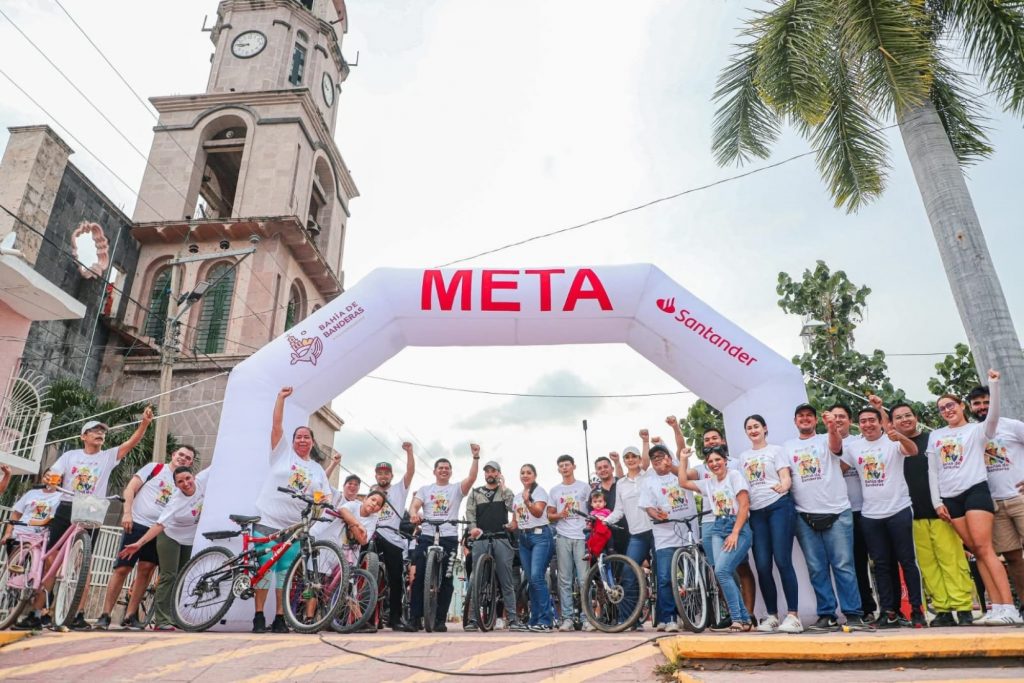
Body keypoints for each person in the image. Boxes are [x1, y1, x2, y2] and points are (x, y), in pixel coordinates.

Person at [48, 407, 154, 630]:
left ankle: (78, 613)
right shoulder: (70, 456)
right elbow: (54, 473)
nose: (100, 434)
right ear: (83, 436)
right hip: (67, 505)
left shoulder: (107, 456)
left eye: (102, 431)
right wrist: (51, 479)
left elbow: (131, 443)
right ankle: (42, 609)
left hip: (91, 508)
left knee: (83, 562)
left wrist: (144, 424)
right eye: (94, 431)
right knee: (51, 556)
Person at [929, 371, 1020, 625]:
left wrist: (994, 384)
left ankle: (1009, 607)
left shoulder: (977, 430)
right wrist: (937, 501)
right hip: (950, 497)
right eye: (942, 408)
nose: (947, 410)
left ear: (962, 406)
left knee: (985, 548)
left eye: (951, 405)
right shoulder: (936, 436)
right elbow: (933, 470)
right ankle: (995, 607)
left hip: (975, 492)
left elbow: (993, 417)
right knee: (976, 552)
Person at [251, 386, 332, 634]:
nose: (302, 440)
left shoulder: (317, 469)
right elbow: (276, 426)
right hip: (268, 521)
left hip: (295, 528)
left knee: (285, 574)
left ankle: (279, 617)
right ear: (293, 440)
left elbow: (326, 494)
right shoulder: (282, 454)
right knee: (265, 568)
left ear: (312, 442)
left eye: (307, 437)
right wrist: (280, 399)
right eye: (298, 437)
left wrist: (325, 504)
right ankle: (258, 616)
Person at [890, 402, 975, 627]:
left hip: (941, 512)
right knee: (928, 566)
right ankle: (943, 609)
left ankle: (963, 608)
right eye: (898, 417)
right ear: (892, 423)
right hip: (912, 515)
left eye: (908, 415)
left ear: (916, 417)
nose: (904, 420)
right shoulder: (893, 447)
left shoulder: (934, 439)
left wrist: (944, 502)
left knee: (952, 561)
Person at [843, 400, 926, 628]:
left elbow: (913, 450)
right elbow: (837, 469)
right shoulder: (854, 448)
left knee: (907, 561)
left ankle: (917, 610)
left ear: (881, 422)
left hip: (898, 509)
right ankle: (889, 612)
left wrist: (899, 437)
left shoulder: (892, 441)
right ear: (858, 425)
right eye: (863, 421)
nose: (867, 424)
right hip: (870, 514)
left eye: (872, 420)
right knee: (880, 565)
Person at [96, 445, 197, 630]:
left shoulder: (186, 481)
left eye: (188, 458)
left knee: (146, 570)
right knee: (122, 568)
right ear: (173, 454)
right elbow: (130, 489)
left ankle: (130, 615)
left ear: (190, 463)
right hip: (137, 523)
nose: (183, 458)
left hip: (160, 530)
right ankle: (105, 614)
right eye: (181, 454)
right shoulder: (154, 468)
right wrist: (127, 513)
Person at [786, 403, 867, 631]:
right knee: (816, 568)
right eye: (800, 416)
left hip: (837, 511)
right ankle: (827, 614)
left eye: (809, 416)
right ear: (795, 421)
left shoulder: (826, 438)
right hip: (804, 514)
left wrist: (832, 427)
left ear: (815, 420)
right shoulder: (787, 447)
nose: (805, 419)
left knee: (843, 565)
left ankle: (853, 613)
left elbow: (836, 446)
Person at [672, 417, 757, 622]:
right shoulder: (709, 483)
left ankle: (739, 618)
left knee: (724, 571)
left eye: (718, 460)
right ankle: (743, 619)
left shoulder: (735, 475)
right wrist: (683, 459)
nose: (714, 464)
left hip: (737, 526)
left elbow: (744, 505)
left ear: (725, 460)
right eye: (710, 462)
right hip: (718, 526)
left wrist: (735, 533)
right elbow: (683, 481)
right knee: (721, 572)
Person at [117, 466, 209, 631]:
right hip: (170, 537)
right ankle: (162, 620)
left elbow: (217, 464)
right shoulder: (176, 501)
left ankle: (174, 616)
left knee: (183, 576)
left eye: (188, 478)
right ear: (176, 485)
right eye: (180, 481)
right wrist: (139, 543)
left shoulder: (202, 480)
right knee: (169, 575)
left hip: (188, 539)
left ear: (194, 477)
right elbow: (159, 525)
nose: (186, 483)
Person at [736, 415, 802, 633]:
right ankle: (772, 615)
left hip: (778, 506)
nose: (753, 430)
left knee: (782, 560)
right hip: (756, 513)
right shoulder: (743, 457)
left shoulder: (776, 450)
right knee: (762, 565)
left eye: (756, 426)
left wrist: (784, 486)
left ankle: (793, 616)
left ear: (765, 428)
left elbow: (785, 476)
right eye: (749, 428)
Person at [968, 384, 1024, 619]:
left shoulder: (1013, 426)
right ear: (970, 407)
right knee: (1012, 557)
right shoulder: (972, 432)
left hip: (1019, 497)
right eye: (977, 403)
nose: (982, 407)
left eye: (986, 402)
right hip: (993, 504)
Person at [409, 445, 480, 631]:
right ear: (434, 471)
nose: (443, 470)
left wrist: (475, 457)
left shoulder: (456, 489)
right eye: (440, 467)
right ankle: (415, 617)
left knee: (447, 579)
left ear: (451, 472)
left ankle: (440, 619)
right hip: (427, 535)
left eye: (447, 468)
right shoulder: (425, 489)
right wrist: (414, 514)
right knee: (419, 576)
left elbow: (471, 478)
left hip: (449, 536)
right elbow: (414, 505)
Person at [828, 403, 881, 621]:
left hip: (868, 509)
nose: (838, 420)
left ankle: (891, 609)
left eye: (842, 416)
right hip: (842, 511)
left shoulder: (861, 442)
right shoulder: (825, 443)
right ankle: (865, 609)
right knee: (854, 563)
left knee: (879, 560)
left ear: (850, 421)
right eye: (834, 417)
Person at [639, 442, 695, 632]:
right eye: (653, 458)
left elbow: (681, 447)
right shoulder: (648, 481)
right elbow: (648, 507)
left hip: (688, 532)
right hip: (664, 535)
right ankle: (670, 617)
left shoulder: (680, 472)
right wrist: (656, 515)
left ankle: (693, 615)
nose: (657, 460)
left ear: (669, 458)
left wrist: (675, 430)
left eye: (661, 456)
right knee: (664, 577)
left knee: (691, 577)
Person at [464, 460, 526, 632]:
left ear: (499, 473)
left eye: (493, 471)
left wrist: (504, 488)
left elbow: (513, 508)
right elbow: (470, 513)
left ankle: (512, 619)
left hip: (501, 538)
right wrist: (472, 528)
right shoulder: (475, 492)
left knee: (506, 581)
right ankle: (473, 618)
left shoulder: (505, 491)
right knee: (477, 579)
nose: (490, 474)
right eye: (487, 471)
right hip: (481, 538)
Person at [604, 443, 654, 630]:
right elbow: (619, 510)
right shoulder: (621, 484)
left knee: (663, 575)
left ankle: (668, 618)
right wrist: (604, 521)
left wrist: (646, 440)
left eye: (634, 456)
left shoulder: (649, 476)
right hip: (637, 534)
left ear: (640, 459)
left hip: (657, 531)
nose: (631, 460)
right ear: (624, 461)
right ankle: (629, 620)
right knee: (628, 574)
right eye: (627, 457)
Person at [6, 470, 62, 630]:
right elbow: (16, 514)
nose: (49, 479)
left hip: (42, 538)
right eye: (47, 475)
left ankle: (38, 612)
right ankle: (11, 612)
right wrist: (8, 533)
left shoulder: (62, 497)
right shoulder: (31, 493)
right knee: (15, 575)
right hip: (21, 536)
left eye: (55, 476)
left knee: (43, 573)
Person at [373, 442, 416, 631]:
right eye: (380, 473)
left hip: (392, 536)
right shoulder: (371, 493)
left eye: (386, 473)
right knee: (363, 571)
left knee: (396, 579)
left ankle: (395, 618)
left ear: (391, 476)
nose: (383, 476)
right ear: (376, 476)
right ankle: (365, 617)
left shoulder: (399, 489)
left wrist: (409, 452)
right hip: (374, 534)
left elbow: (410, 472)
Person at [547, 453, 592, 631]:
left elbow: (594, 508)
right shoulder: (554, 490)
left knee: (584, 579)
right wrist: (560, 514)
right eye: (561, 466)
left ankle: (587, 618)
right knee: (564, 580)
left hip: (581, 536)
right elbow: (549, 515)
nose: (564, 468)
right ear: (558, 469)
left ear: (574, 466)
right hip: (563, 536)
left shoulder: (584, 487)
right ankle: (567, 618)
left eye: (567, 464)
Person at [511, 463, 554, 632]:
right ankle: (534, 619)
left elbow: (538, 512)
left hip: (540, 537)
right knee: (530, 580)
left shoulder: (539, 492)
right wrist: (507, 526)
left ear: (535, 475)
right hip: (524, 538)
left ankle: (546, 620)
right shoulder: (516, 497)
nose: (525, 475)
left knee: (537, 577)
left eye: (529, 472)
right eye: (522, 473)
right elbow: (515, 521)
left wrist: (527, 500)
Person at [593, 454, 628, 555]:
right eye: (599, 468)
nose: (603, 470)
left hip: (629, 534)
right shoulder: (594, 493)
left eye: (605, 466)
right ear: (596, 472)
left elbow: (621, 477)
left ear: (612, 469)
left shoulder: (621, 484)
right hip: (608, 540)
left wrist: (617, 462)